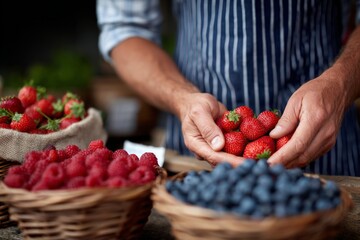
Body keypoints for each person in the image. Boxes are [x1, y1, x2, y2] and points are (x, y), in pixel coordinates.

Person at [96, 0, 360, 176]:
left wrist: (339, 85)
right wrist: (182, 98)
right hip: (197, 152)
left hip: (326, 149)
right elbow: (124, 28)